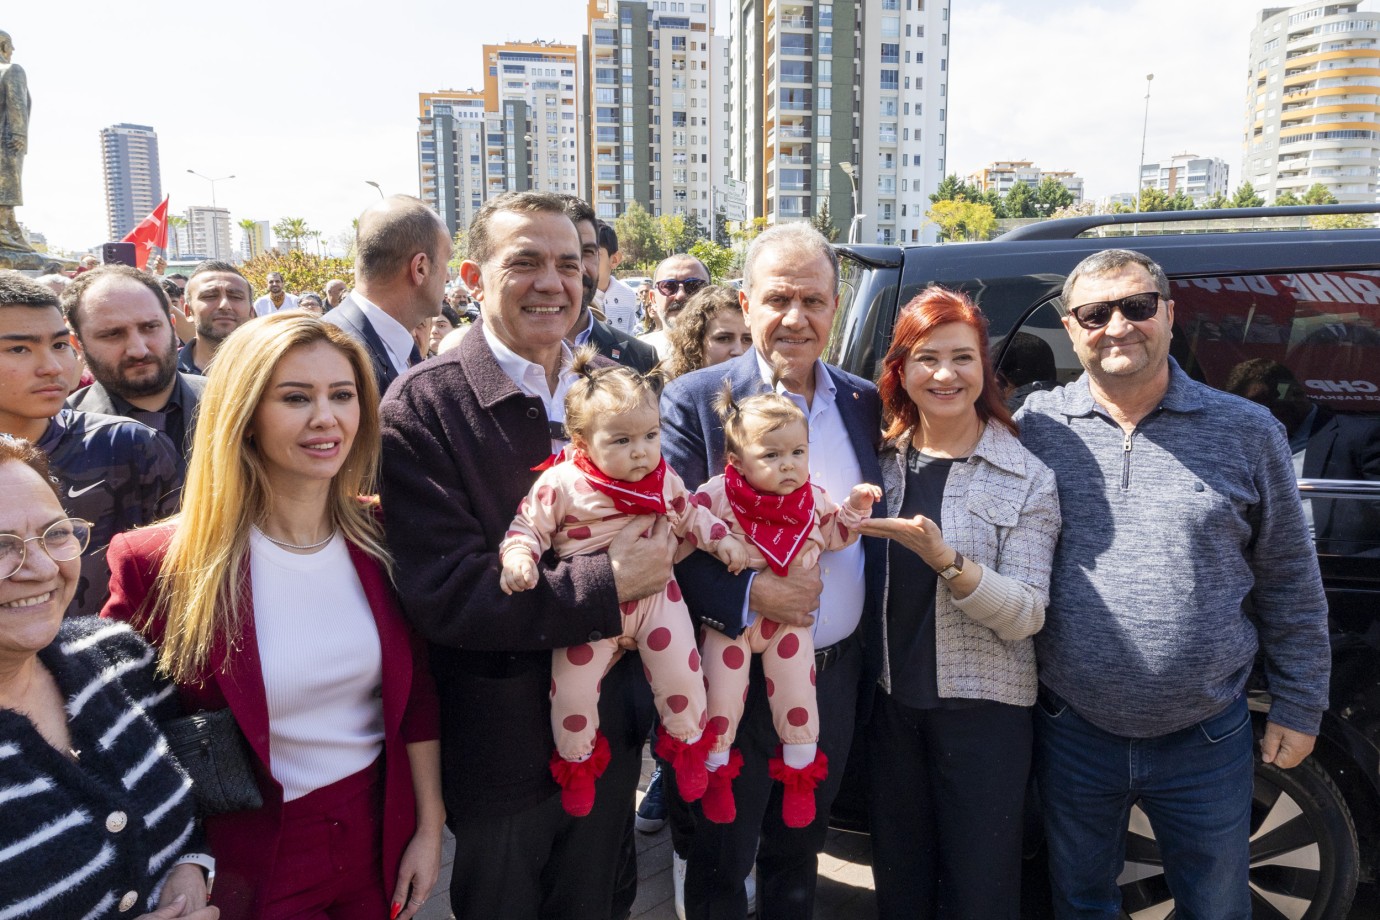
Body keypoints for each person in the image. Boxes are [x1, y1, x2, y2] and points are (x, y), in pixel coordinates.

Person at [379, 190, 672, 920]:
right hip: (502, 752)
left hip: (610, 732)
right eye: (525, 262)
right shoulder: (423, 406)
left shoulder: (614, 388)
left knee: (599, 903)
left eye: (569, 264)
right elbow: (446, 593)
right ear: (472, 278)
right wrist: (607, 583)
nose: (552, 283)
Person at [1018, 249, 1330, 918]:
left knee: (1215, 908)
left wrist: (1302, 705)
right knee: (1079, 902)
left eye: (1136, 306)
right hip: (1073, 728)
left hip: (1206, 736)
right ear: (1071, 328)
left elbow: (1289, 577)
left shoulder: (1247, 430)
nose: (1117, 326)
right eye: (1095, 314)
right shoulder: (1034, 428)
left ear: (1167, 313)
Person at [103, 312, 444, 920]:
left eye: (342, 395)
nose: (326, 417)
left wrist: (428, 825)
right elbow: (124, 733)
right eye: (295, 397)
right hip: (246, 860)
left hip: (377, 837)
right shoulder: (157, 562)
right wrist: (178, 860)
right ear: (244, 415)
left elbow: (415, 692)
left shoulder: (382, 530)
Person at [660, 223, 885, 920]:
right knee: (721, 860)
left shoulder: (862, 400)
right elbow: (668, 534)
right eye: (778, 299)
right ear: (746, 302)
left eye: (813, 301)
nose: (796, 318)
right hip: (732, 672)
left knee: (800, 850)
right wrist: (756, 592)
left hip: (833, 676)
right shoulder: (696, 399)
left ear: (836, 306)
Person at [860, 286, 1060, 919]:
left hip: (985, 719)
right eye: (927, 358)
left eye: (962, 358)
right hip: (891, 709)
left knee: (982, 891)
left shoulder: (1026, 475)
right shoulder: (879, 463)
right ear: (901, 371)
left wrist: (947, 561)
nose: (944, 375)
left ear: (984, 369)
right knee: (900, 884)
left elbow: (1027, 613)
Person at [500, 348, 748, 816]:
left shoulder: (662, 477)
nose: (641, 450)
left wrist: (722, 540)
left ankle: (688, 749)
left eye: (651, 435)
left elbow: (691, 514)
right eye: (621, 440)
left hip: (658, 599)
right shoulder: (562, 482)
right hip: (590, 609)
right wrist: (518, 557)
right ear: (581, 441)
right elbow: (527, 525)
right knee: (572, 692)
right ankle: (577, 764)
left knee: (684, 677)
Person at [0, 436, 216, 920]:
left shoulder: (118, 657)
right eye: (0, 546)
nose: (42, 568)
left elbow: (195, 798)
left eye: (55, 533)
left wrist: (193, 865)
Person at [696, 383, 879, 828]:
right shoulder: (719, 494)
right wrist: (716, 540)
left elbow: (834, 535)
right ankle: (716, 774)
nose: (788, 465)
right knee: (721, 700)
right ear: (736, 461)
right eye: (771, 455)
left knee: (798, 698)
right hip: (732, 625)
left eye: (798, 452)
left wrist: (854, 509)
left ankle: (800, 779)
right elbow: (687, 527)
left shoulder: (811, 497)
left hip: (791, 627)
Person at [0, 271, 179, 617]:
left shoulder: (127, 445)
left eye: (58, 345)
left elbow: (180, 580)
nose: (52, 367)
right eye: (19, 349)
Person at [1225, 357, 1380, 556]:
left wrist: (1355, 562)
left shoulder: (1359, 437)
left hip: (1332, 562)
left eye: (1262, 408)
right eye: (1245, 412)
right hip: (1255, 558)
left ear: (1295, 395)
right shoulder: (1240, 442)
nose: (1253, 419)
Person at [63, 265, 208, 474]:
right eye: (112, 334)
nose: (138, 350)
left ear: (172, 326)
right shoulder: (60, 433)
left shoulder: (233, 404)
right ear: (77, 344)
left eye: (150, 327)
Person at [325, 195, 450, 394]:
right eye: (447, 261)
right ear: (420, 268)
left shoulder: (406, 349)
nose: (448, 277)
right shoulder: (327, 351)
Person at [560, 197, 658, 376]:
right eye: (563, 252)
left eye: (587, 252)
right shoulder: (508, 355)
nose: (578, 267)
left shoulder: (642, 359)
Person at [176, 260, 254, 375]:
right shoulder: (164, 373)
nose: (225, 305)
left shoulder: (274, 369)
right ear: (188, 312)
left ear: (251, 313)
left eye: (236, 297)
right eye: (210, 296)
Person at [665, 284, 755, 380]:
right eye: (724, 338)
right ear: (694, 345)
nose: (739, 351)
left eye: (747, 339)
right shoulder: (675, 388)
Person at [639, 254, 710, 359]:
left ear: (710, 294)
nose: (680, 295)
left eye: (694, 286)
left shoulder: (730, 352)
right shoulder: (637, 353)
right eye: (668, 286)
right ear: (653, 299)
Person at [0, 31, 31, 253]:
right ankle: (4, 232)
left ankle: (11, 230)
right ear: (3, 46)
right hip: (6, 139)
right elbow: (16, 103)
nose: (13, 51)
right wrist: (20, 134)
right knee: (6, 186)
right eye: (11, 46)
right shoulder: (11, 70)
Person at [594, 221, 640, 334]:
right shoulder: (573, 295)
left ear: (614, 260)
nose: (583, 262)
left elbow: (630, 337)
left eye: (592, 253)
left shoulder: (627, 295)